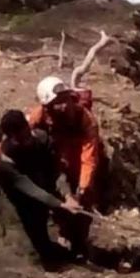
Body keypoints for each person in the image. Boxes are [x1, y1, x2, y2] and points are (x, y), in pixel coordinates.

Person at [0, 109, 83, 267]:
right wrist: (59, 204)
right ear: (11, 137)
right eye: (20, 138)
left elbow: (56, 171)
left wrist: (68, 196)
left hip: (40, 183)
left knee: (55, 216)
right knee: (34, 226)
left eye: (25, 132)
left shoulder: (42, 139)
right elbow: (27, 186)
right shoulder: (5, 161)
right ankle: (47, 257)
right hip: (18, 196)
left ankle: (65, 249)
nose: (25, 139)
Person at [27, 76, 104, 254]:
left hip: (81, 165)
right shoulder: (39, 116)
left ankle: (79, 244)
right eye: (58, 103)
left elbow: (89, 158)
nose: (64, 106)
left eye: (65, 100)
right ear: (47, 107)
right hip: (56, 161)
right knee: (59, 198)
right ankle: (62, 233)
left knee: (85, 201)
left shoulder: (86, 120)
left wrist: (82, 189)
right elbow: (15, 136)